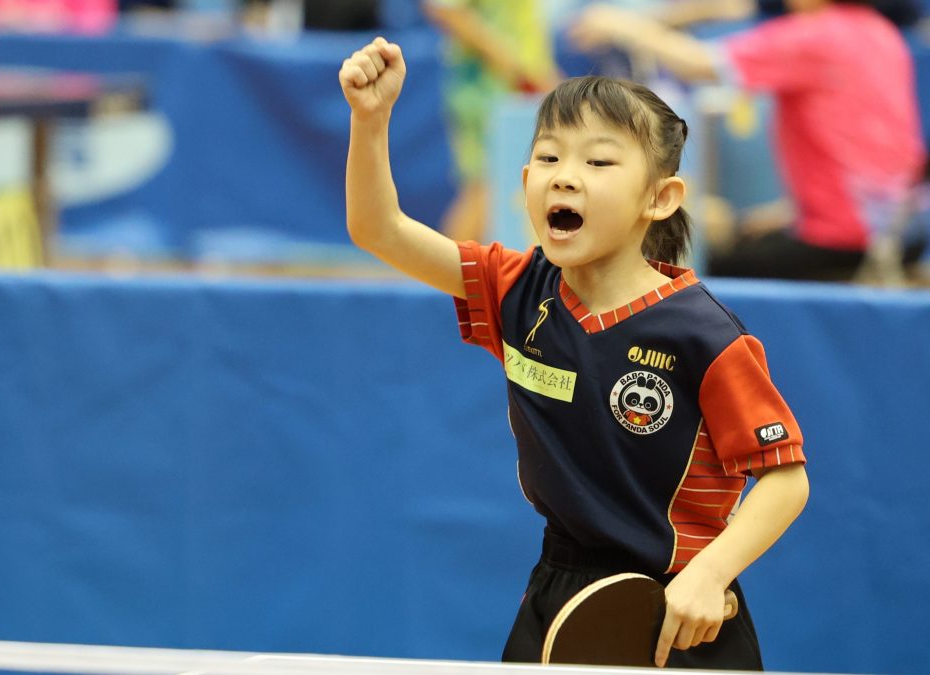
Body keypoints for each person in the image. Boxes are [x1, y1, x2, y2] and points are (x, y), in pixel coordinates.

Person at [340, 37, 810, 670]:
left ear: (660, 198)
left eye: (599, 162)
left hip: (682, 606)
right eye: (550, 156)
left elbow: (785, 477)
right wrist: (370, 120)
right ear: (527, 182)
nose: (565, 174)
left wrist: (710, 574)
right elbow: (379, 229)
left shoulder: (705, 335)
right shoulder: (516, 287)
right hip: (559, 590)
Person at [571, 0, 927, 282]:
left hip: (850, 243)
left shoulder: (814, 36)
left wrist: (622, 25)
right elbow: (877, 150)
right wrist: (793, 212)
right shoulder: (884, 34)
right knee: (743, 238)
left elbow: (702, 64)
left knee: (690, 269)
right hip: (906, 231)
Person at [422, 0, 560, 243]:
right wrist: (510, 64)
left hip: (519, 92)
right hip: (486, 95)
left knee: (494, 187)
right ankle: (443, 278)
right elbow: (445, 9)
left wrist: (543, 79)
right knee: (484, 188)